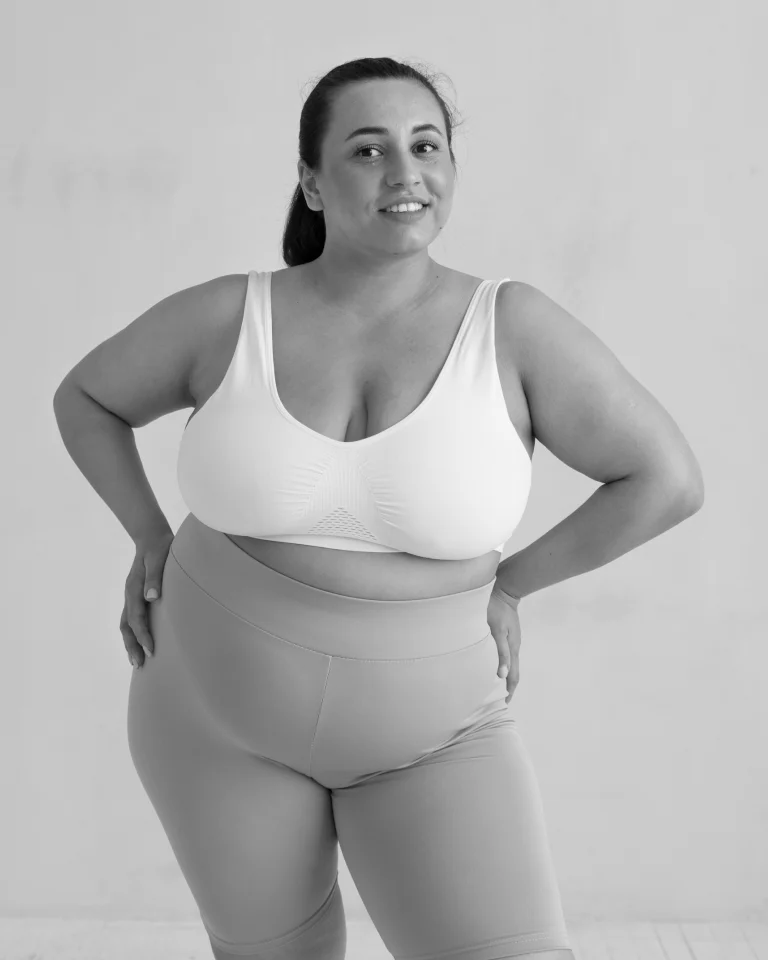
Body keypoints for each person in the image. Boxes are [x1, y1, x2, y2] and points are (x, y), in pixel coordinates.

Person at [53, 57, 704, 960]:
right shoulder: (228, 316)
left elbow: (665, 479)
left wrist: (513, 584)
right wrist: (147, 535)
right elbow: (87, 398)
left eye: (426, 146)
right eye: (368, 150)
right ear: (312, 182)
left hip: (436, 732)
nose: (405, 172)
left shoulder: (512, 326)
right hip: (209, 716)